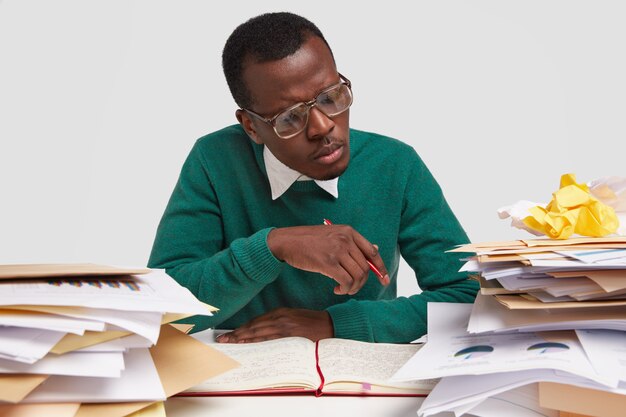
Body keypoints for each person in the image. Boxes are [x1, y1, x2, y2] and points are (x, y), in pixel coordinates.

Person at [148, 11, 478, 344]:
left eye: (330, 97)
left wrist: (336, 324)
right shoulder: (214, 161)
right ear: (251, 127)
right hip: (242, 376)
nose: (323, 127)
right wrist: (275, 245)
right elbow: (162, 310)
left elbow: (468, 295)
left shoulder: (396, 164)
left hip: (362, 378)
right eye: (290, 117)